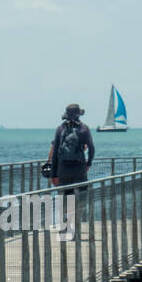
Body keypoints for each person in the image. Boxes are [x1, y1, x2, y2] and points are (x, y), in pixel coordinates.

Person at [49, 103, 94, 240]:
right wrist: (88, 164)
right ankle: (77, 231)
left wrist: (54, 174)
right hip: (79, 170)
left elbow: (55, 154)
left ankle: (66, 229)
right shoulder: (84, 129)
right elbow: (91, 149)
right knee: (79, 200)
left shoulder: (59, 129)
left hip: (63, 171)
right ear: (79, 114)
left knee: (65, 201)